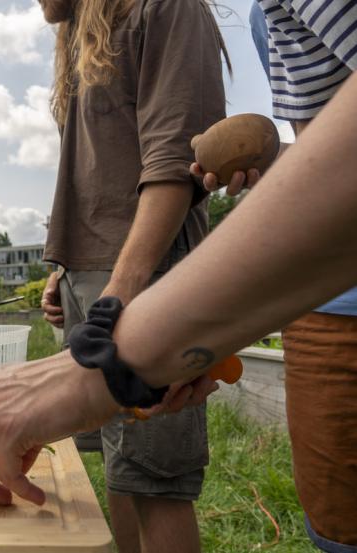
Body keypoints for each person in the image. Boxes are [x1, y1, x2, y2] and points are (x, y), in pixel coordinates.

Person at [0, 67, 357, 537]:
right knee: (332, 526)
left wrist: (111, 357)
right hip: (319, 298)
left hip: (308, 304)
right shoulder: (78, 48)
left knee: (156, 480)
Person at [37, 0, 228, 550]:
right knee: (123, 470)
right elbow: (96, 167)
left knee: (158, 485)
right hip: (92, 276)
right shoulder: (81, 30)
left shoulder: (167, 7)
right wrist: (63, 265)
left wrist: (114, 302)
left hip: (145, 280)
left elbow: (173, 164)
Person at [192, 2, 357, 550]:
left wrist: (151, 337)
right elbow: (332, 158)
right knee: (337, 531)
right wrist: (280, 163)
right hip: (327, 301)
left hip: (340, 307)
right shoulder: (269, 14)